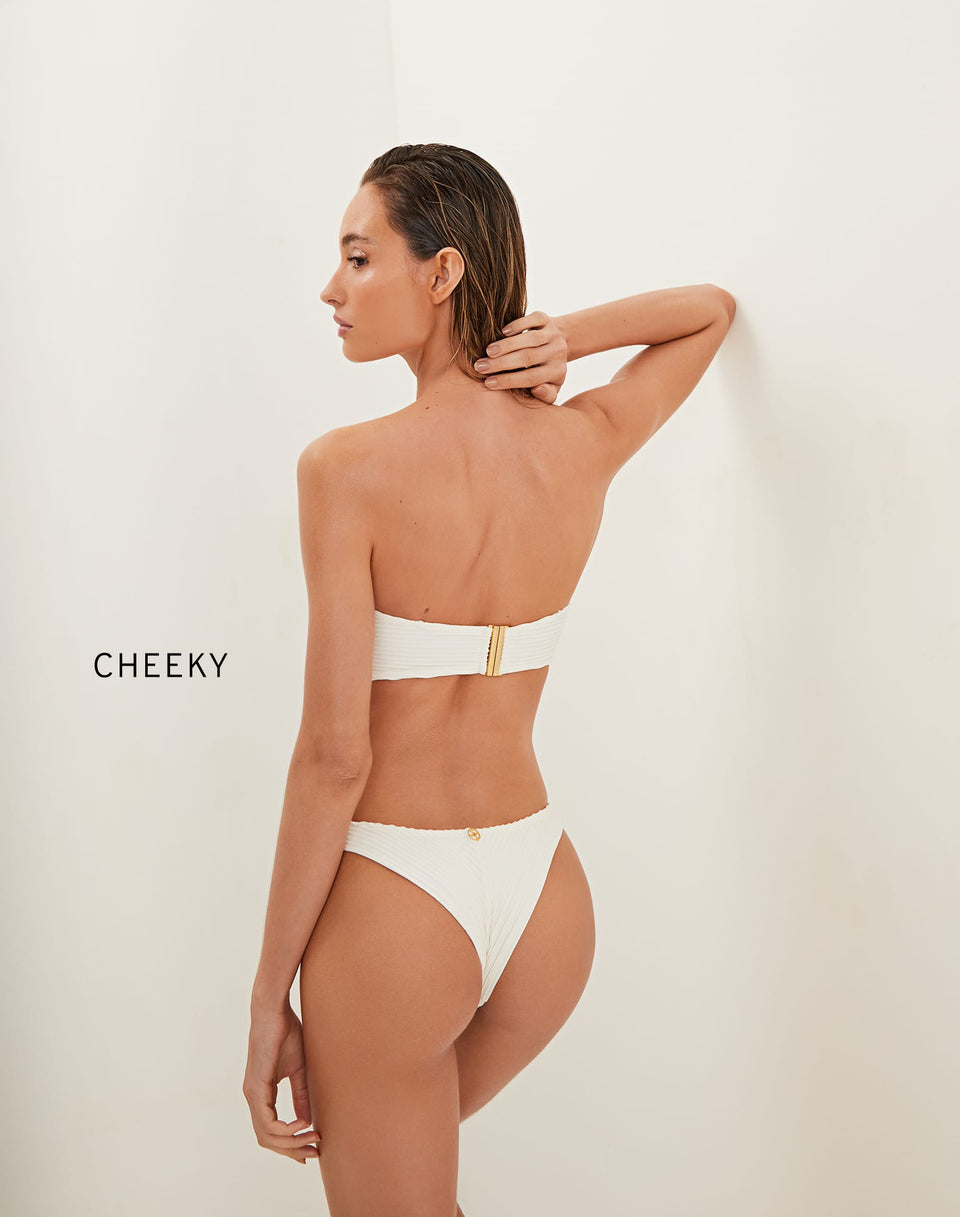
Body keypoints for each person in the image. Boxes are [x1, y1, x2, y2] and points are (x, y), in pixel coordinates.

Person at [242, 141, 735, 1215]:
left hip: (400, 907)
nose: (332, 288)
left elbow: (334, 758)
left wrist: (268, 995)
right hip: (546, 898)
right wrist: (570, 340)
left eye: (358, 257)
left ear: (443, 272)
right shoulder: (584, 440)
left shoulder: (345, 469)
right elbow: (708, 312)